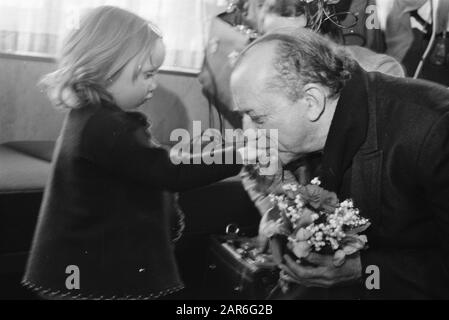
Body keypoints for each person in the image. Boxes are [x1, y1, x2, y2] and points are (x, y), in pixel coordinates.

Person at [22, 6, 257, 300]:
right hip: (94, 269)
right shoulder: (108, 126)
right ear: (106, 70)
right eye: (147, 74)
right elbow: (172, 174)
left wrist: (174, 154)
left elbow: (141, 161)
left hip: (77, 263)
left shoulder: (89, 115)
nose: (154, 84)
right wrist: (243, 154)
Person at [230, 27, 449, 299]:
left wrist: (366, 272)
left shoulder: (435, 130)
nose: (248, 133)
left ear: (312, 101)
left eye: (257, 118)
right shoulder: (307, 136)